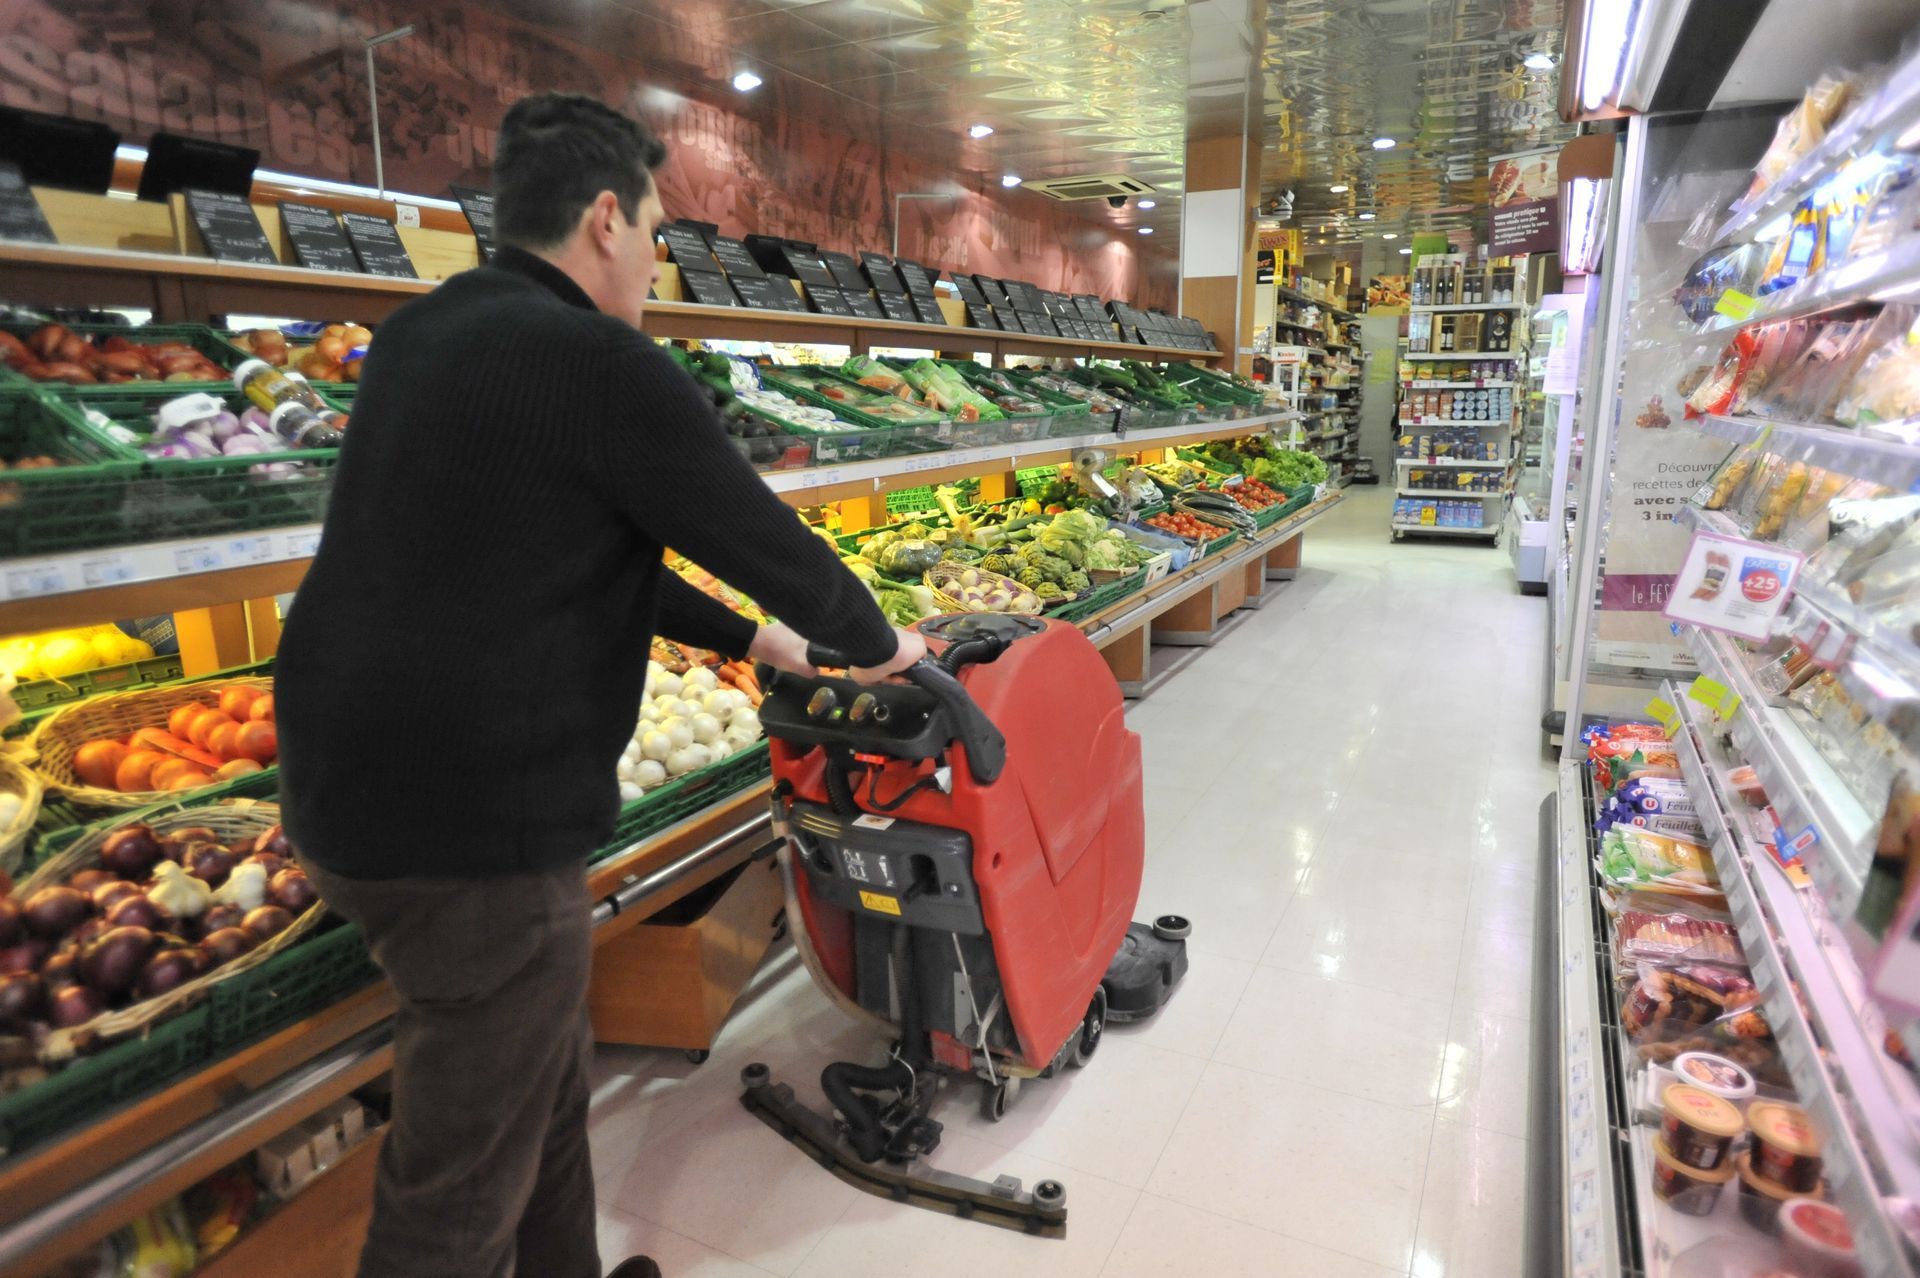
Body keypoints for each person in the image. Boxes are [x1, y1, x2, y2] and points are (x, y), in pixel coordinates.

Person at [275, 91, 924, 1278]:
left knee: (538, 1072)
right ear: (606, 219)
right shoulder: (599, 361)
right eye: (660, 230)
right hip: (469, 830)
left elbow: (583, 543)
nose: (660, 260)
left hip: (338, 795)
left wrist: (753, 642)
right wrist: (878, 643)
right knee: (452, 1193)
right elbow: (753, 527)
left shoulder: (423, 335)